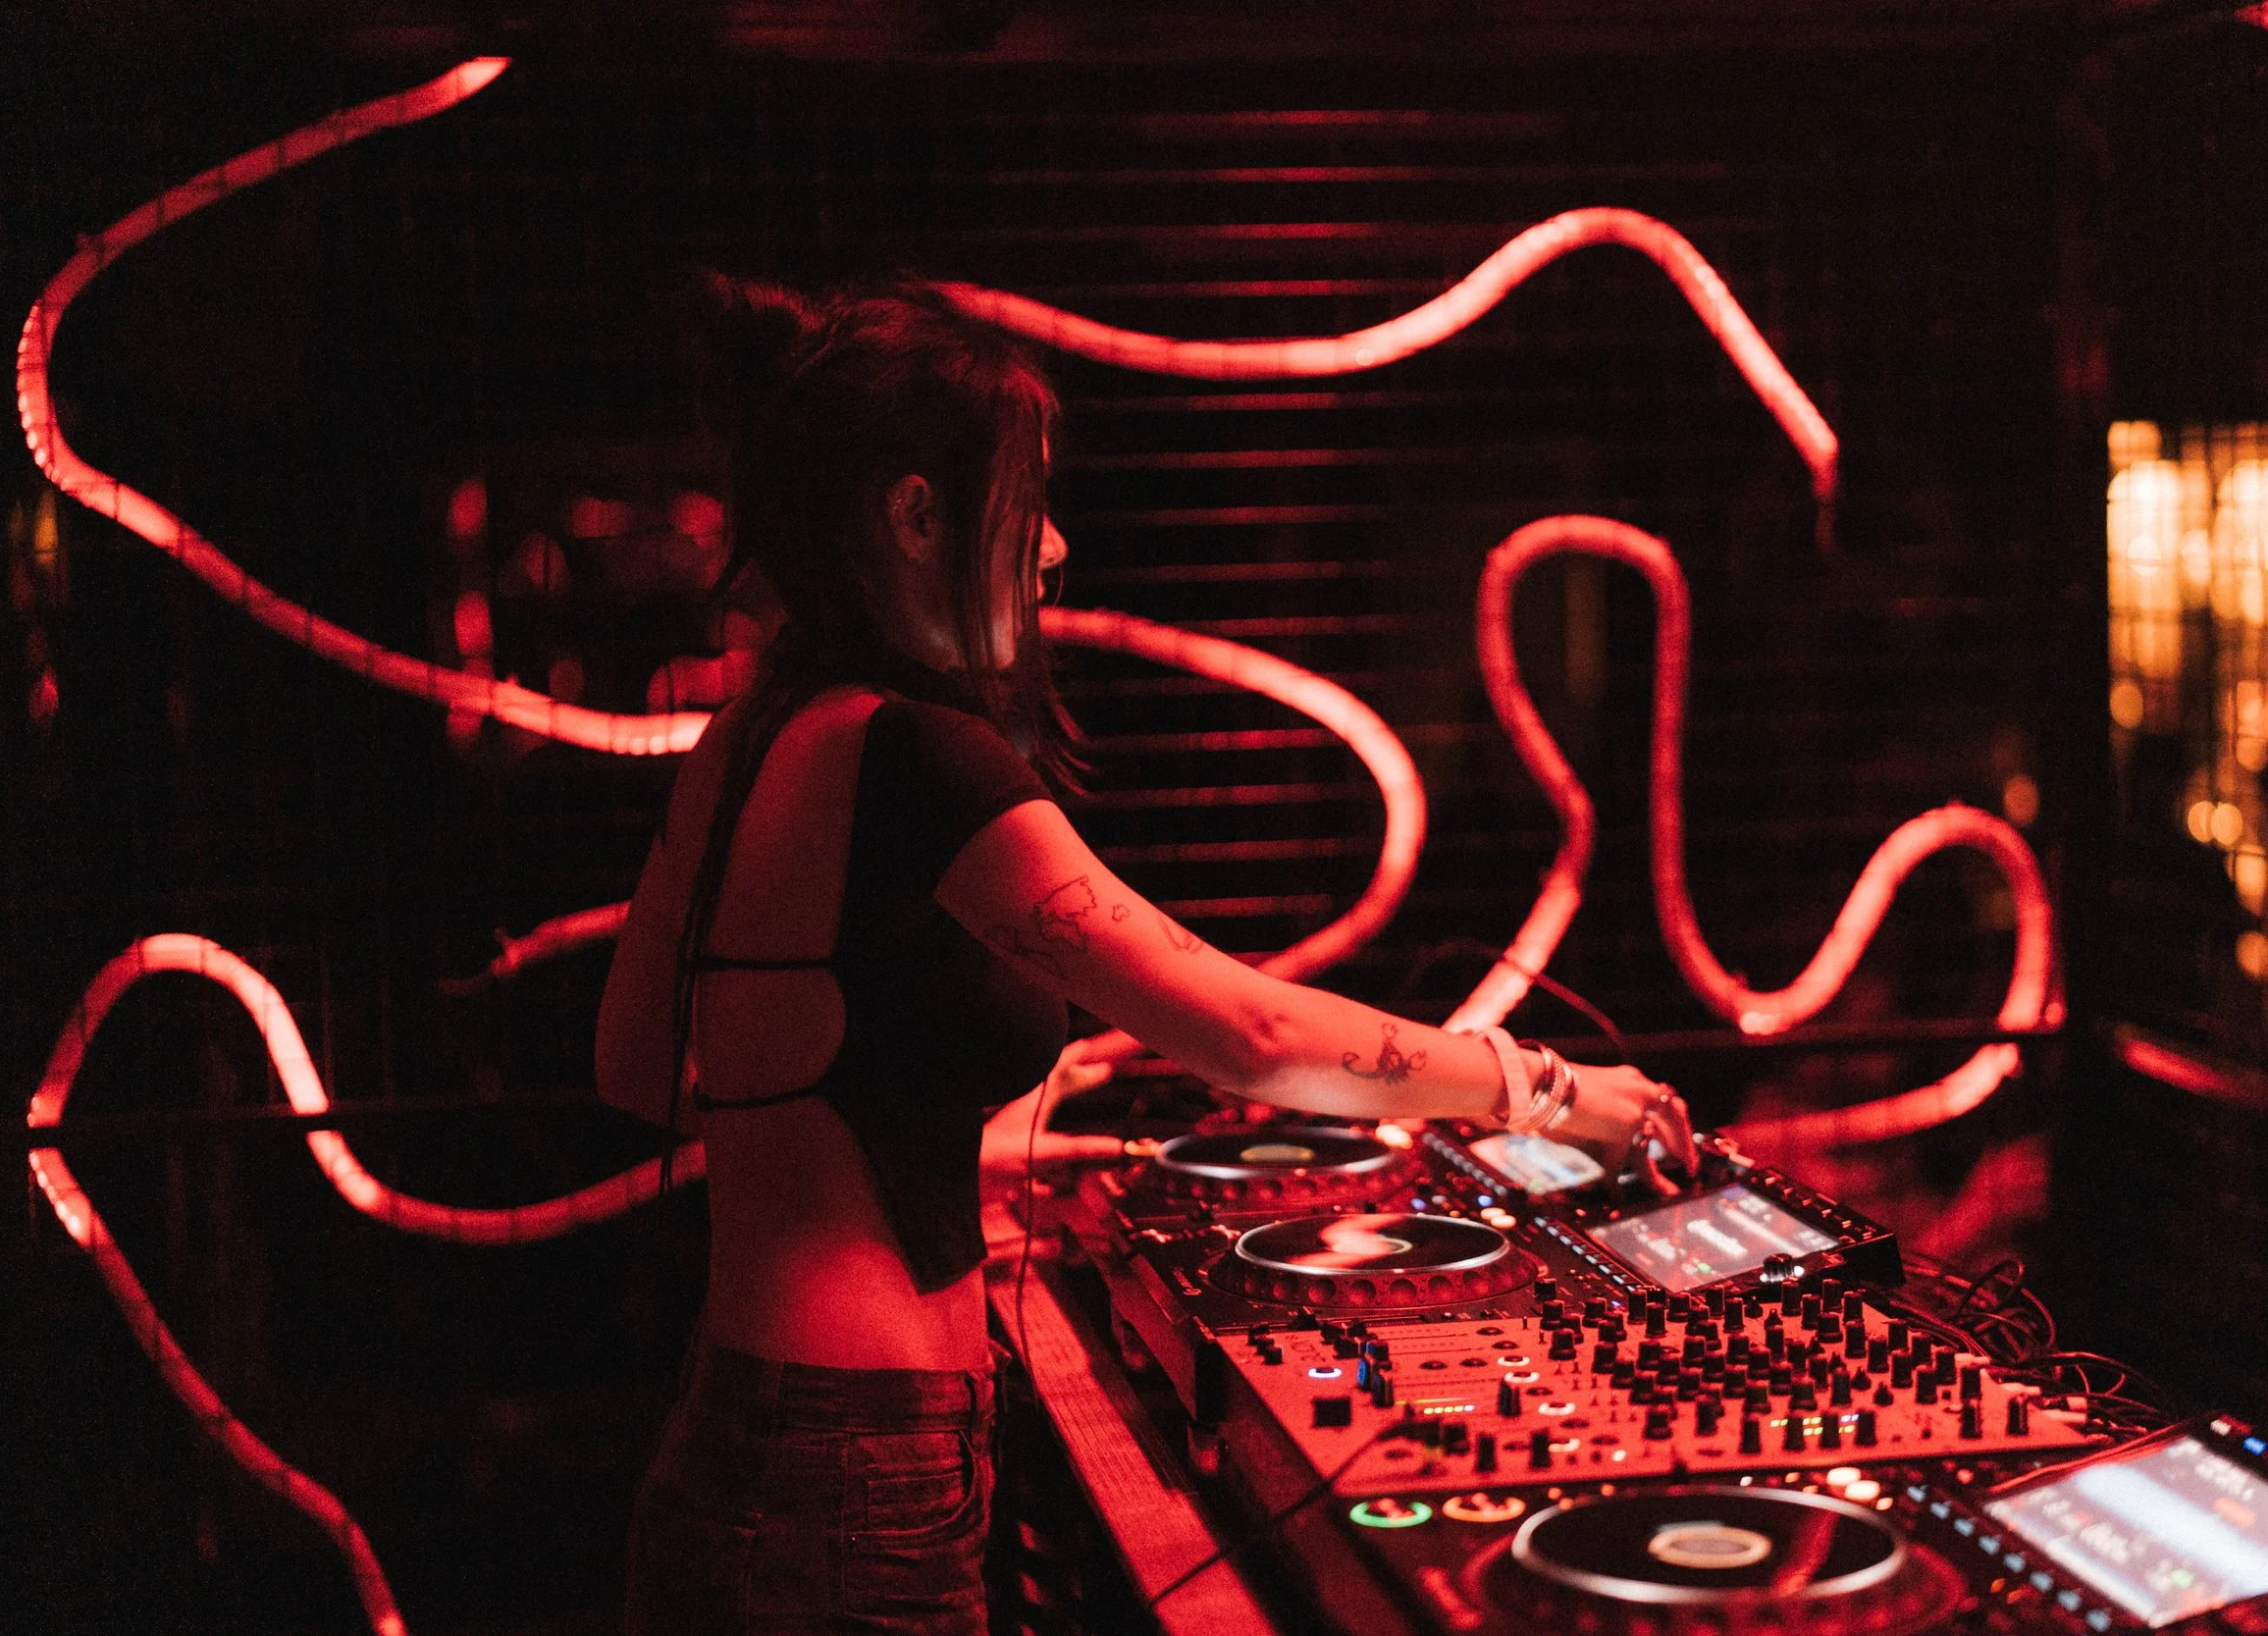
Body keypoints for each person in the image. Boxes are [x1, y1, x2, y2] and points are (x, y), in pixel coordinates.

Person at [594, 276, 1696, 1636]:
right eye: (1026, 499)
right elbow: (1250, 1034)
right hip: (854, 1481)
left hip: (732, 1439)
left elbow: (636, 1065)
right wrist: (1549, 1088)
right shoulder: (926, 760)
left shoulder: (741, 740)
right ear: (916, 513)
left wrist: (890, 1136)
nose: (1053, 549)